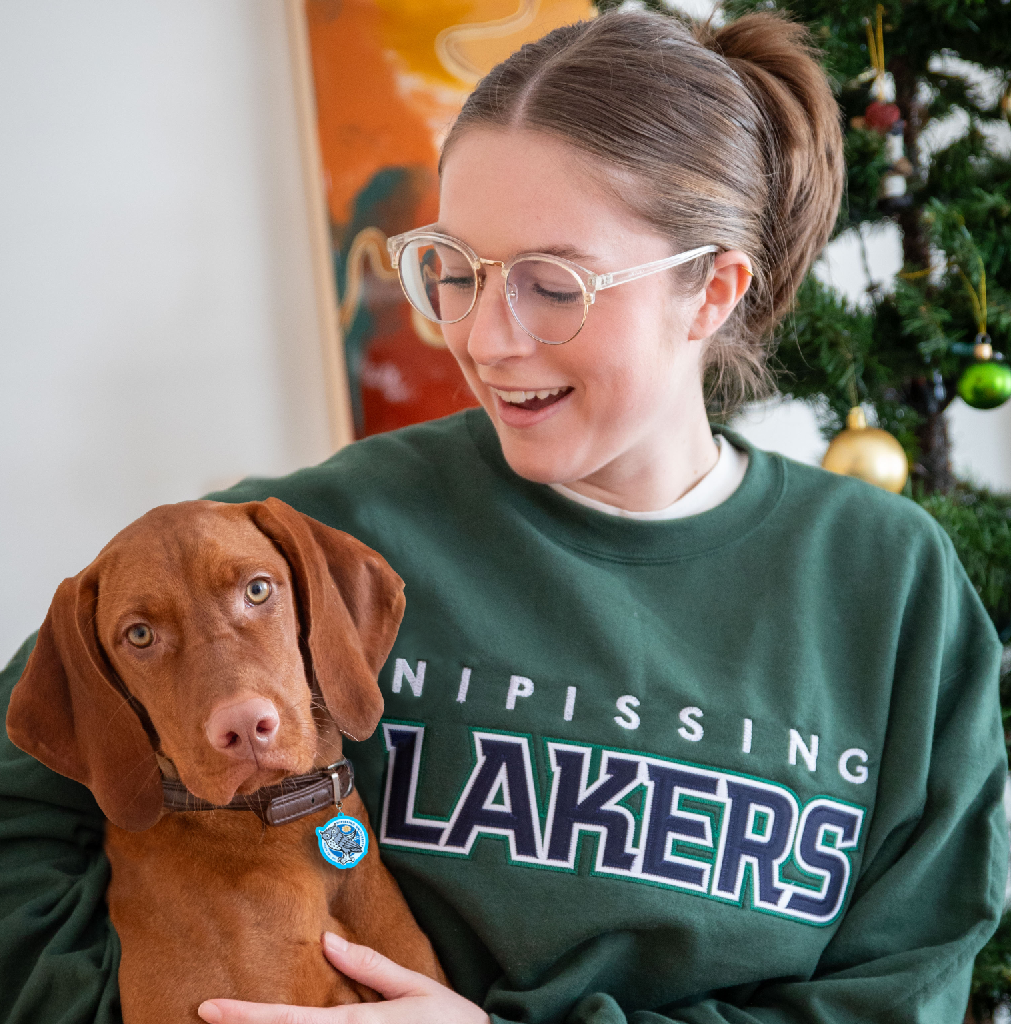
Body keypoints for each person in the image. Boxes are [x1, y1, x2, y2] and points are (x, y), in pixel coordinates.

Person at [0, 8, 1006, 1024]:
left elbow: (904, 990)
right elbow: (32, 776)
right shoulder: (310, 540)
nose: (485, 338)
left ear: (711, 291)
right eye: (456, 271)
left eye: (552, 284)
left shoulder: (889, 584)